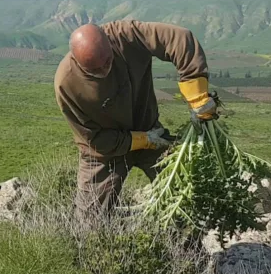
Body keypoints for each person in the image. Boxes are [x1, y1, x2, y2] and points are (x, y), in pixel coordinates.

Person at [54, 20, 216, 218]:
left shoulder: (125, 35)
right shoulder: (67, 84)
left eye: (108, 61)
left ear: (109, 42)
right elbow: (93, 139)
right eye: (95, 70)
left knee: (186, 195)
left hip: (153, 132)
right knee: (90, 219)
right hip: (106, 152)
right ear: (77, 62)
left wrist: (197, 97)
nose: (104, 70)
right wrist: (141, 140)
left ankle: (187, 236)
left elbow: (180, 39)